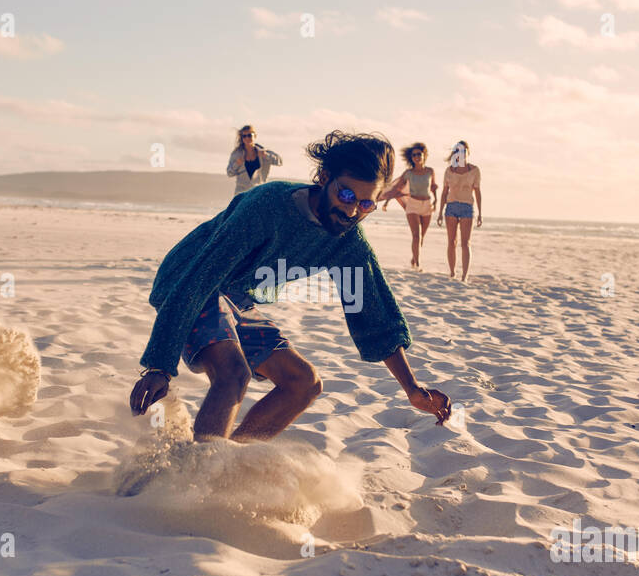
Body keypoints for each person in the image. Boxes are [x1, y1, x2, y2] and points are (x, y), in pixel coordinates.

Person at [130, 130, 452, 441]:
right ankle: (195, 477)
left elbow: (373, 315)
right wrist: (160, 365)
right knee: (233, 374)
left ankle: (221, 465)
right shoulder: (266, 206)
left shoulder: (347, 242)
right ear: (324, 178)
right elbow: (200, 277)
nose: (353, 211)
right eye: (347, 195)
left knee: (304, 383)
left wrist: (411, 388)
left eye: (366, 204)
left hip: (234, 296)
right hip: (188, 280)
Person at [379, 142, 437, 270]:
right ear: (411, 158)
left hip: (427, 205)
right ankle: (418, 264)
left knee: (421, 237)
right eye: (414, 155)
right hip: (413, 206)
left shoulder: (430, 171)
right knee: (416, 235)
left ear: (424, 155)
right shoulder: (408, 173)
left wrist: (436, 201)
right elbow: (396, 188)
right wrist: (387, 201)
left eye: (419, 154)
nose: (416, 157)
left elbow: (433, 187)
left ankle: (414, 258)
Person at [436, 140, 483, 280]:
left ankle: (464, 275)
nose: (460, 154)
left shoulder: (474, 170)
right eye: (457, 151)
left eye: (463, 151)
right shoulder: (449, 170)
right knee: (451, 242)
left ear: (468, 152)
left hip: (467, 207)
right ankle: (452, 272)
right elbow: (444, 192)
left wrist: (480, 213)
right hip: (451, 207)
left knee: (465, 243)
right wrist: (439, 213)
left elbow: (478, 192)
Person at [226, 124, 282, 195]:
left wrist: (266, 155)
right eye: (244, 136)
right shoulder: (237, 154)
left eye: (249, 135)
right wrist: (237, 164)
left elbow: (280, 161)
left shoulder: (263, 151)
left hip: (259, 191)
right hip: (241, 193)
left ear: (255, 136)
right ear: (242, 138)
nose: (247, 138)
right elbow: (229, 173)